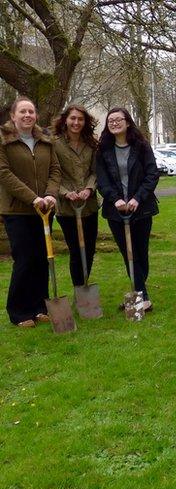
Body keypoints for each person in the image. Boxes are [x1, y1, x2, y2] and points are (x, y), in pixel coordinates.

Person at [0, 96, 60, 327]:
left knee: (42, 259)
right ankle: (19, 311)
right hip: (17, 211)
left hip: (44, 208)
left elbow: (55, 170)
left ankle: (40, 307)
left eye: (31, 112)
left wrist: (50, 195)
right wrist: (32, 197)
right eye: (22, 112)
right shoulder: (4, 141)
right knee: (24, 260)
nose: (27, 116)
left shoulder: (45, 140)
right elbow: (4, 174)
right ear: (13, 116)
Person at [96, 107, 159, 312]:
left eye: (118, 119)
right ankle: (142, 298)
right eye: (110, 120)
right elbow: (102, 179)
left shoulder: (141, 146)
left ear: (128, 122)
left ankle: (137, 294)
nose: (114, 123)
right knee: (128, 254)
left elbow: (152, 174)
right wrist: (115, 199)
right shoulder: (103, 149)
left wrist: (137, 198)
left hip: (141, 209)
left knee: (141, 252)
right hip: (116, 211)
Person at [52, 105, 99, 287]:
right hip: (67, 208)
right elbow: (53, 174)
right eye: (73, 118)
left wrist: (89, 189)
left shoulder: (91, 144)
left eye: (80, 119)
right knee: (76, 251)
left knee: (89, 250)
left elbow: (95, 171)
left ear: (85, 122)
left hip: (89, 206)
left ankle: (86, 284)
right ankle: (79, 288)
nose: (76, 122)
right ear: (65, 120)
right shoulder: (54, 144)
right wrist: (65, 193)